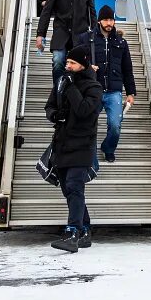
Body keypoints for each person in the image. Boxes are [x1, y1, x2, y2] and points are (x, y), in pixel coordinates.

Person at [44, 44, 103, 253]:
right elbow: (49, 105)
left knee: (75, 187)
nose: (67, 65)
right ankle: (85, 230)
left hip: (82, 145)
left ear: (82, 65)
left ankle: (72, 234)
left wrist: (70, 89)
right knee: (69, 191)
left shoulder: (94, 88)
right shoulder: (62, 81)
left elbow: (84, 111)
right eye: (67, 62)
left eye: (72, 63)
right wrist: (53, 115)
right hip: (62, 144)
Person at [36, 0, 95, 86]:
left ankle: (75, 90)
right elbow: (46, 12)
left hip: (80, 34)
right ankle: (58, 90)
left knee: (79, 65)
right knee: (58, 60)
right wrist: (41, 34)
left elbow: (92, 13)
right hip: (61, 33)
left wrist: (94, 33)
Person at [90, 5, 136, 163]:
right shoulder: (88, 39)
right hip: (93, 90)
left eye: (111, 19)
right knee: (88, 123)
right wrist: (88, 67)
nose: (109, 23)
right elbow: (77, 61)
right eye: (106, 20)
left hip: (114, 91)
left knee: (115, 125)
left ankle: (108, 148)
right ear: (99, 21)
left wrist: (131, 93)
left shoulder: (121, 42)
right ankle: (88, 152)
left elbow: (127, 69)